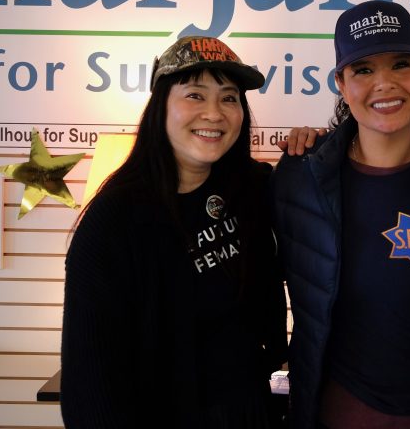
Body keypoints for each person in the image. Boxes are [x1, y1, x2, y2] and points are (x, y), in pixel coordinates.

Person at [273, 0, 410, 429]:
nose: (385, 83)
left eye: (400, 64)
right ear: (341, 82)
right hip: (339, 410)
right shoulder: (299, 177)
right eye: (363, 70)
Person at [61, 36, 287, 428]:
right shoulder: (113, 222)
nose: (215, 113)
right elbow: (89, 385)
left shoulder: (252, 187)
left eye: (229, 98)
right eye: (195, 95)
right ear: (160, 106)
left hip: (252, 410)